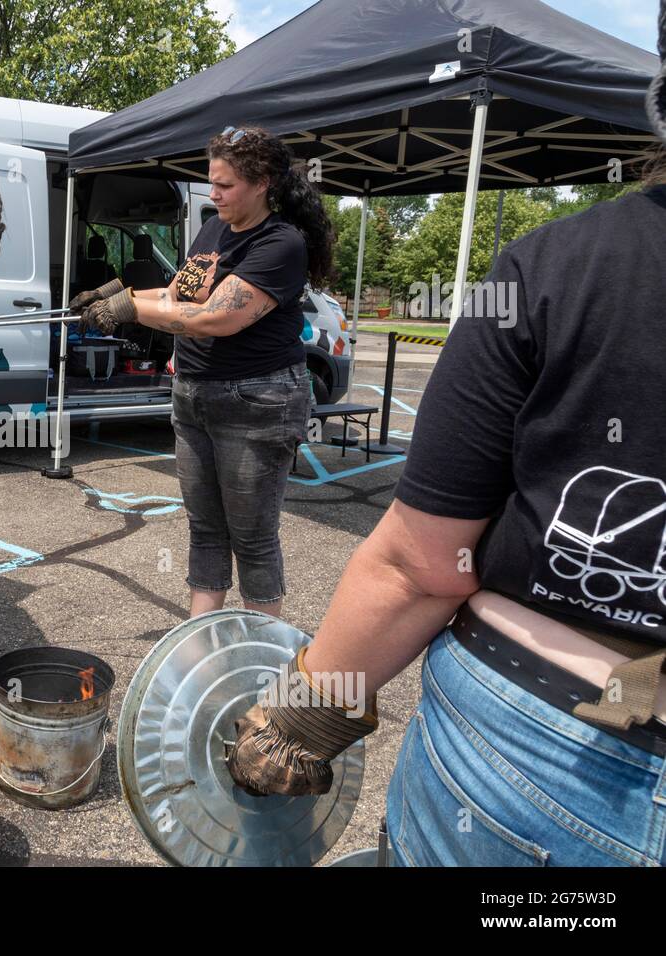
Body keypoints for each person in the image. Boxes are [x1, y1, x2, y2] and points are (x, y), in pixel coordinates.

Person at [225, 13, 666, 866]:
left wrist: (301, 720)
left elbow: (423, 566)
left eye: (224, 178)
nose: (215, 190)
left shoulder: (561, 270)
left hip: (541, 757)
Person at [74, 127, 334, 620]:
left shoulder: (281, 243)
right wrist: (111, 294)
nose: (213, 194)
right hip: (193, 393)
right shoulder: (213, 228)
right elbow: (180, 294)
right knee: (205, 529)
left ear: (263, 184)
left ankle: (263, 647)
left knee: (253, 538)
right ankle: (201, 641)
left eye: (226, 185)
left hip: (257, 399)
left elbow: (217, 318)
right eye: (211, 183)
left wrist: (128, 308)